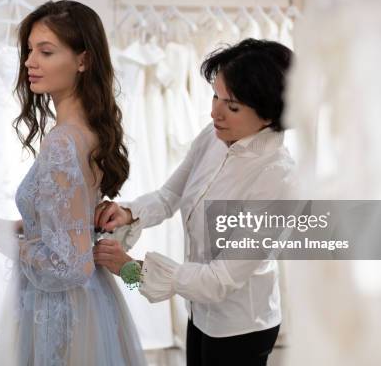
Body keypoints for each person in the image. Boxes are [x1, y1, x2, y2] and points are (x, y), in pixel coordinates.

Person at [93, 39, 295, 366]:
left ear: (269, 114)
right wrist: (129, 213)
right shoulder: (213, 137)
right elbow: (170, 195)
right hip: (198, 312)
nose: (214, 112)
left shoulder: (277, 180)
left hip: (240, 327)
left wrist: (131, 270)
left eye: (231, 106)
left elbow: (220, 280)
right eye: (215, 96)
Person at [13, 0, 146, 366]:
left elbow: (68, 266)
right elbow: (70, 220)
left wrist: (8, 245)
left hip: (62, 309)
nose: (30, 62)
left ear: (82, 61)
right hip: (89, 302)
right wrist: (22, 227)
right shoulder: (88, 132)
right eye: (29, 51)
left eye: (46, 51)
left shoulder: (62, 142)